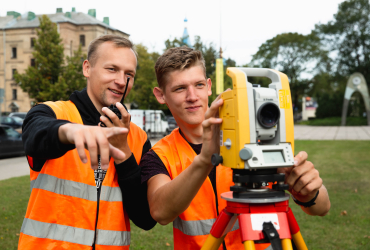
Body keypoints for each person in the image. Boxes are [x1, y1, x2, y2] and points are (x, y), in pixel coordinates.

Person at [140, 46, 331, 250]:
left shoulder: (254, 134)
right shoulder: (160, 155)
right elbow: (160, 212)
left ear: (209, 86)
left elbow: (322, 207)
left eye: (199, 85)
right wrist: (205, 160)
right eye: (180, 88)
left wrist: (308, 191)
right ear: (161, 95)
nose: (192, 96)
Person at [18, 35, 156, 250]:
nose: (121, 81)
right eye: (112, 69)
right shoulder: (53, 112)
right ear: (87, 68)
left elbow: (146, 219)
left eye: (129, 74)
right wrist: (72, 131)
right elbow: (35, 136)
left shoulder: (138, 138)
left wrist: (124, 154)